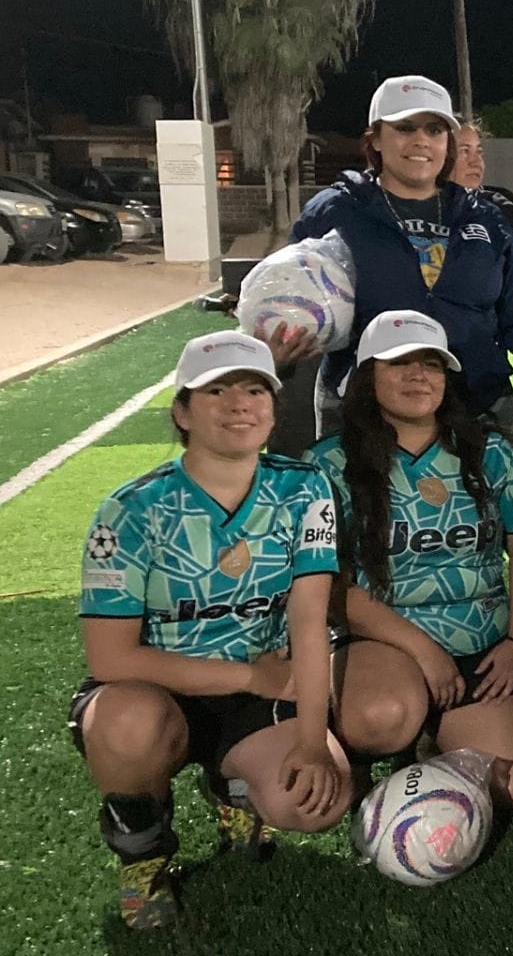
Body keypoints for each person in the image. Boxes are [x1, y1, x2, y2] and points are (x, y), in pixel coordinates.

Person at [70, 331, 348, 929]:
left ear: (273, 409)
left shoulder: (304, 489)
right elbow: (110, 657)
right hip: (161, 692)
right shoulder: (132, 510)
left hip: (259, 694)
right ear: (182, 412)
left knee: (319, 801)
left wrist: (308, 739)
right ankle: (143, 857)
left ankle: (232, 788)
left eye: (254, 389)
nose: (239, 403)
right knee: (125, 724)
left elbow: (308, 615)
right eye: (215, 390)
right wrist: (251, 673)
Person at [306, 311, 513, 808]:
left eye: (431, 364)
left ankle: (434, 736)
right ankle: (371, 731)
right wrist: (424, 651)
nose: (418, 375)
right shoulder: (327, 465)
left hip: (480, 641)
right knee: (380, 718)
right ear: (366, 378)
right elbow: (328, 584)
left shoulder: (490, 453)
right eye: (398, 363)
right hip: (384, 638)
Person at [280, 74, 513, 449]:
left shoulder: (483, 217)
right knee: (366, 509)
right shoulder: (336, 211)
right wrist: (278, 350)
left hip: (477, 406)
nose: (421, 141)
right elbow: (295, 305)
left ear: (448, 142)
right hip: (365, 413)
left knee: (488, 509)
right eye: (404, 128)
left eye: (434, 129)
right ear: (376, 138)